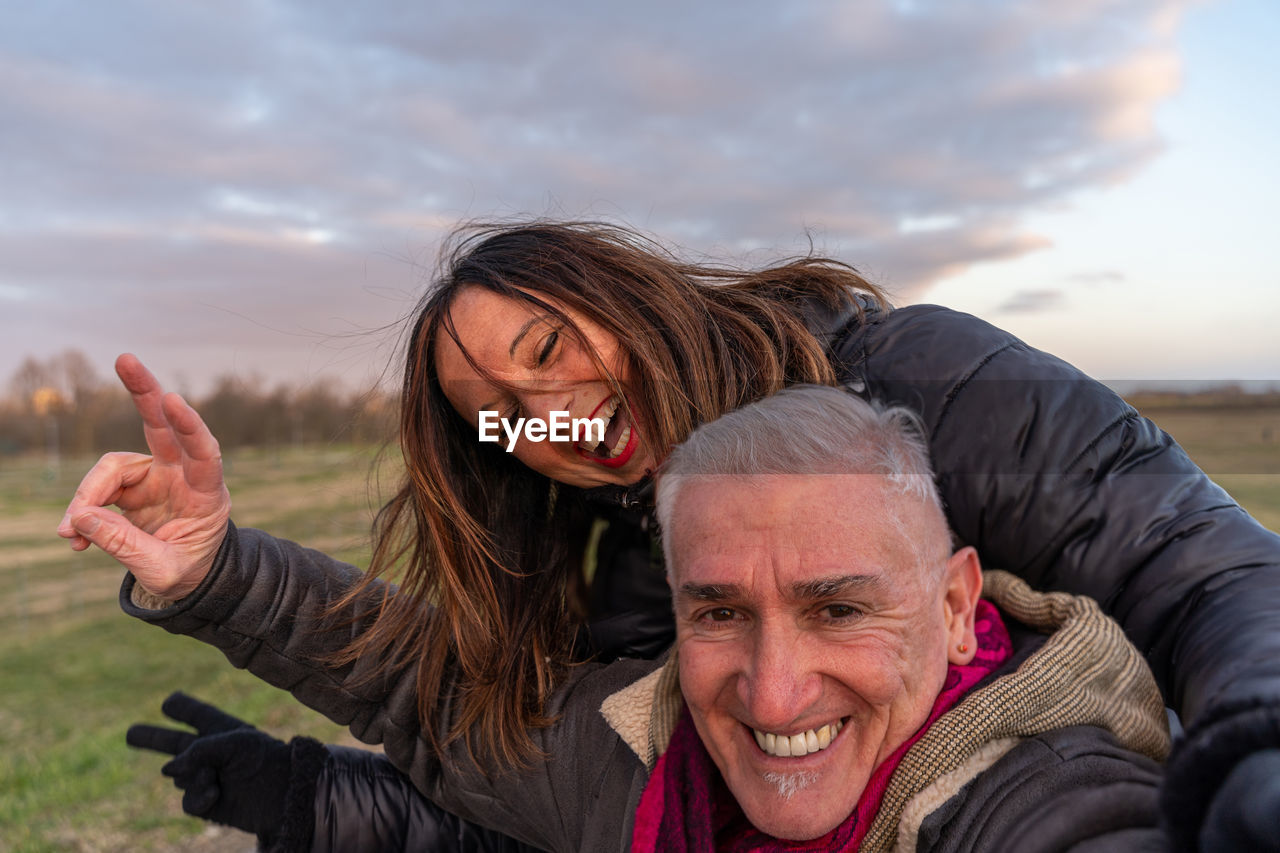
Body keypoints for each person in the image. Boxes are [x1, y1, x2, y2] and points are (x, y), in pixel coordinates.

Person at [59, 221, 1280, 847]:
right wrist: (227, 582)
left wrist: (1251, 759)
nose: (542, 411)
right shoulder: (616, 550)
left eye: (548, 349)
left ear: (626, 289)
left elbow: (1201, 570)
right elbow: (576, 787)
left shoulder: (915, 377)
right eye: (494, 414)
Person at [128, 386, 1174, 851]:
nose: (772, 692)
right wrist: (215, 567)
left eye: (839, 606)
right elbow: (423, 687)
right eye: (718, 610)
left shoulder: (1046, 796)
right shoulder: (639, 749)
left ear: (955, 608)